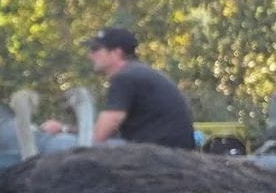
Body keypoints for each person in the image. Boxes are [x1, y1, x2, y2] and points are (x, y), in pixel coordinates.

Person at [44, 27, 194, 149]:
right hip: (165, 151)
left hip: (154, 155)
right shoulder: (138, 73)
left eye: (96, 49)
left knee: (59, 145)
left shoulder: (124, 78)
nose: (90, 56)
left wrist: (66, 138)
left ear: (117, 52)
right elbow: (110, 131)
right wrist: (64, 129)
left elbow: (100, 134)